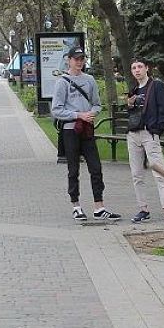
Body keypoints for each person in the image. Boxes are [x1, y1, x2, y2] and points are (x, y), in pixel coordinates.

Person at [50, 47, 120, 222]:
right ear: (69, 60)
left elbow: (97, 104)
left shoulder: (89, 80)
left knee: (95, 168)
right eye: (76, 59)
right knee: (73, 170)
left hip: (87, 130)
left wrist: (91, 113)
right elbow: (57, 110)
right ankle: (76, 205)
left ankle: (99, 206)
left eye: (82, 59)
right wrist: (77, 115)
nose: (79, 62)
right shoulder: (62, 82)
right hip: (70, 131)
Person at [125, 59, 164, 224]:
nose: (137, 70)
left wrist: (156, 129)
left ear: (146, 69)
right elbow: (131, 112)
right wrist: (130, 104)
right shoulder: (134, 89)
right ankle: (143, 209)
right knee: (136, 174)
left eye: (139, 67)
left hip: (149, 133)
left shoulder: (156, 86)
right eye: (134, 68)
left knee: (159, 172)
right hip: (133, 134)